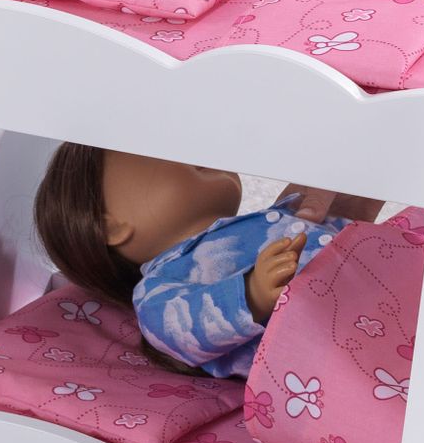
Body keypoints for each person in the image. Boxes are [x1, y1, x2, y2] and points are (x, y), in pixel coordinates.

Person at [32, 143, 356, 377]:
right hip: (341, 355)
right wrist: (251, 294)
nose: (190, 144)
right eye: (156, 147)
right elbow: (180, 328)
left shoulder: (264, 222)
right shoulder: (159, 290)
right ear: (110, 226)